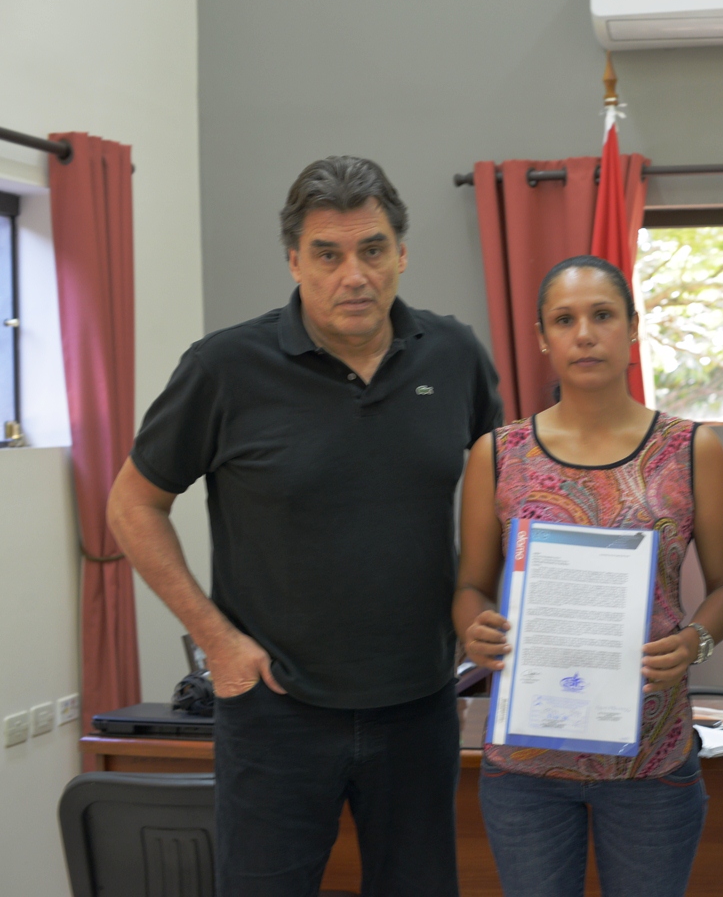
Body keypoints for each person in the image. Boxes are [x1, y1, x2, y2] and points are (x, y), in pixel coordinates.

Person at [106, 156, 503, 897]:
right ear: (294, 261)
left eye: (373, 249)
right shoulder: (224, 367)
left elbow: (505, 495)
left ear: (402, 253)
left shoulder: (455, 357)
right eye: (328, 255)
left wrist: (486, 604)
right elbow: (132, 505)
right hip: (274, 713)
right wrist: (215, 640)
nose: (354, 275)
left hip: (419, 708)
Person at [455, 255, 723, 897]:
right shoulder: (498, 454)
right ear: (542, 337)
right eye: (564, 320)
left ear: (633, 327)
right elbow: (470, 586)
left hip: (651, 757)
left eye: (603, 315)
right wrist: (474, 628)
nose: (584, 334)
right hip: (526, 763)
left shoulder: (690, 450)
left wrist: (695, 641)